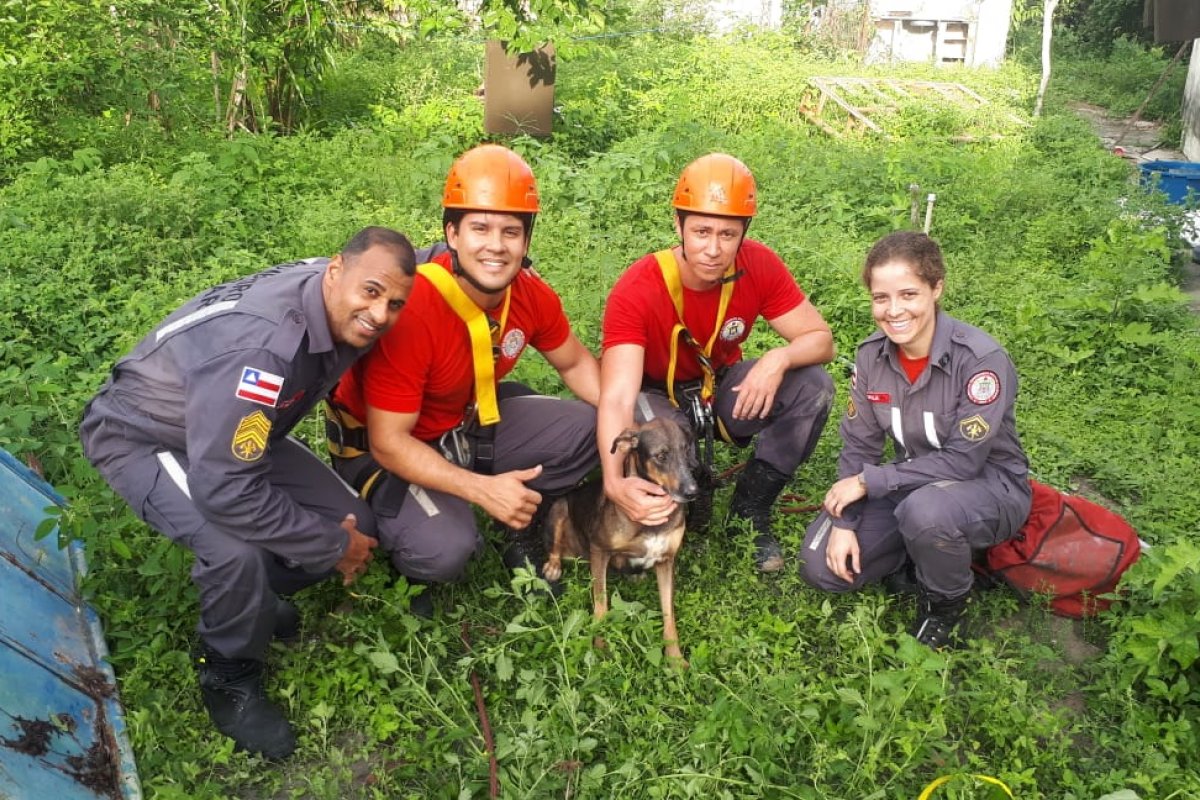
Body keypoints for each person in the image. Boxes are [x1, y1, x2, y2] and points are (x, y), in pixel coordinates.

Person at [79, 227, 417, 759]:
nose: (379, 313)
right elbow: (225, 490)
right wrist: (329, 546)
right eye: (370, 292)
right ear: (335, 271)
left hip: (236, 428)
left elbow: (416, 264)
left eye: (395, 302)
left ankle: (254, 598)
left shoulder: (336, 292)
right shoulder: (266, 351)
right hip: (147, 433)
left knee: (353, 520)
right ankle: (228, 675)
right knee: (233, 550)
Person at [326, 144, 599, 609]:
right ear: (452, 233)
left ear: (527, 242)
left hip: (463, 420)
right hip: (383, 446)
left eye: (511, 231)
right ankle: (407, 536)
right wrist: (480, 490)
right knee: (446, 551)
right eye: (480, 228)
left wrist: (635, 422)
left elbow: (575, 364)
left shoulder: (530, 294)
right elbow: (390, 441)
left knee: (594, 427)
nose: (496, 245)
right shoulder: (414, 308)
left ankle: (521, 523)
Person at [598, 152, 836, 572]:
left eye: (728, 234)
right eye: (701, 231)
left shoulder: (758, 264)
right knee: (657, 431)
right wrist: (613, 479)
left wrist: (778, 358)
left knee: (812, 387)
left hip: (718, 388)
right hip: (652, 395)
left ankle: (750, 509)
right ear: (678, 226)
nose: (713, 249)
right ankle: (659, 507)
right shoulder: (638, 287)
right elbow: (616, 396)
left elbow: (820, 339)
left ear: (744, 233)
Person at [799, 231, 1032, 648]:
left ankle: (946, 603)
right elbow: (859, 446)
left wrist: (870, 483)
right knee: (821, 568)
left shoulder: (980, 362)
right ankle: (925, 550)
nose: (893, 311)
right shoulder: (872, 356)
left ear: (936, 287)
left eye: (908, 294)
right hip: (909, 481)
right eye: (880, 298)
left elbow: (964, 462)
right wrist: (844, 522)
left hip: (988, 486)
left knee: (927, 512)